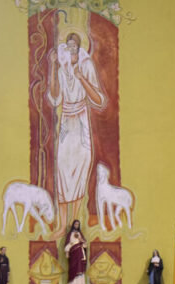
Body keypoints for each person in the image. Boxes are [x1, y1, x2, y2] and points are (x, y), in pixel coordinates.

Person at [47, 32, 106, 232]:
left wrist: (82, 78)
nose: (71, 49)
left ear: (79, 47)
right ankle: (62, 224)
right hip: (66, 122)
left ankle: (75, 224)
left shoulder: (86, 65)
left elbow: (98, 100)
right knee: (62, 167)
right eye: (68, 45)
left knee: (81, 166)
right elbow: (55, 97)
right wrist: (54, 68)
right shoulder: (61, 66)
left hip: (81, 121)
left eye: (74, 46)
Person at [63, 220, 88, 284]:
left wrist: (82, 240)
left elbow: (85, 245)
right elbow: (67, 244)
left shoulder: (80, 233)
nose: (76, 225)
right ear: (73, 225)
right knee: (73, 267)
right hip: (73, 253)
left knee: (80, 268)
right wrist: (67, 252)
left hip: (80, 252)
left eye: (78, 224)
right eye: (76, 224)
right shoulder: (70, 234)